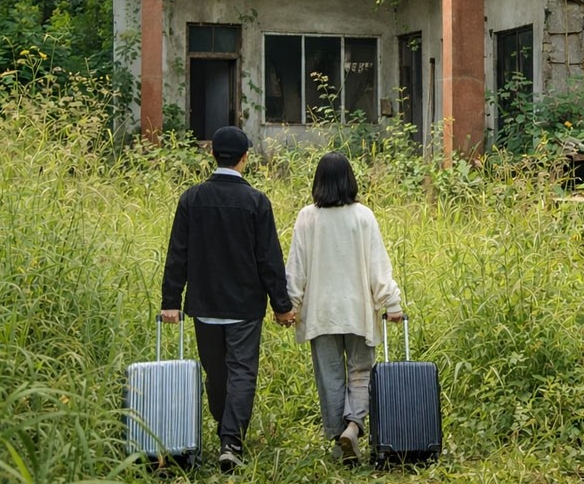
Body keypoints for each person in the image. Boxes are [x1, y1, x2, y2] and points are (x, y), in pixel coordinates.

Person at [160, 126, 297, 474]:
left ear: (212, 155)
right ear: (245, 158)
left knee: (216, 373)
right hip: (244, 307)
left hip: (204, 305)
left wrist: (170, 301)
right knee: (241, 372)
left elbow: (178, 253)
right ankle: (231, 441)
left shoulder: (192, 199)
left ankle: (227, 432)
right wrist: (281, 306)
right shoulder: (256, 202)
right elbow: (269, 259)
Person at [286, 152, 404, 463]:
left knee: (330, 377)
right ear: (349, 180)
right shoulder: (363, 216)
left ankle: (339, 439)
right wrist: (391, 303)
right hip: (358, 311)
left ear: (318, 182)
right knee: (360, 372)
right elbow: (379, 267)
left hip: (321, 313)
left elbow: (296, 269)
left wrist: (290, 305)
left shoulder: (306, 217)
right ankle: (353, 426)